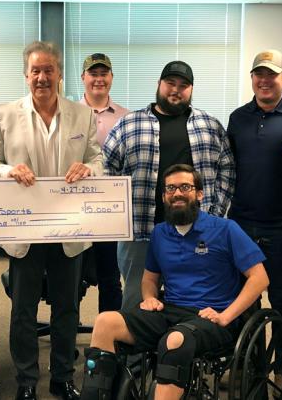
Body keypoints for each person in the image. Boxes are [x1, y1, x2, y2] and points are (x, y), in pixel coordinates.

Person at [80, 164, 268, 400]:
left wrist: (227, 316)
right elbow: (150, 278)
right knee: (105, 322)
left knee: (174, 340)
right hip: (169, 310)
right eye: (170, 188)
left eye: (185, 187)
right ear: (164, 197)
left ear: (199, 194)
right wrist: (149, 298)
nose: (177, 193)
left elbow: (260, 278)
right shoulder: (160, 232)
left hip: (211, 316)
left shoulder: (225, 229)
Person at [0, 41, 103, 400]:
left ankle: (63, 377)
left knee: (68, 307)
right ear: (26, 75)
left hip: (68, 229)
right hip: (24, 229)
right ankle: (27, 382)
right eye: (35, 70)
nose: (42, 77)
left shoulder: (82, 115)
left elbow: (98, 160)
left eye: (49, 70)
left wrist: (88, 168)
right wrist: (7, 170)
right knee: (22, 311)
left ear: (60, 75)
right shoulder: (3, 115)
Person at [103, 60, 235, 310]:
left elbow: (227, 170)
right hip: (139, 232)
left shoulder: (210, 126)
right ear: (159, 85)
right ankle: (136, 350)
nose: (176, 89)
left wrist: (214, 215)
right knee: (136, 300)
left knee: (192, 298)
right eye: (170, 83)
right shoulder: (128, 125)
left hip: (196, 234)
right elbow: (107, 170)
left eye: (183, 85)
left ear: (191, 89)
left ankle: (178, 347)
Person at [227, 49, 282, 392]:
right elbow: (230, 170)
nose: (264, 80)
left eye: (272, 74)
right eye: (259, 74)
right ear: (252, 78)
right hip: (241, 224)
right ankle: (252, 367)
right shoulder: (238, 118)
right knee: (245, 301)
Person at [78, 53, 128, 313]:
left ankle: (109, 343)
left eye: (104, 74)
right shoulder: (67, 113)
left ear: (111, 78)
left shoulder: (127, 117)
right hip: (73, 209)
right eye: (93, 74)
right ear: (83, 77)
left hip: (109, 212)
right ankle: (66, 339)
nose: (99, 79)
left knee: (110, 278)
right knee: (71, 280)